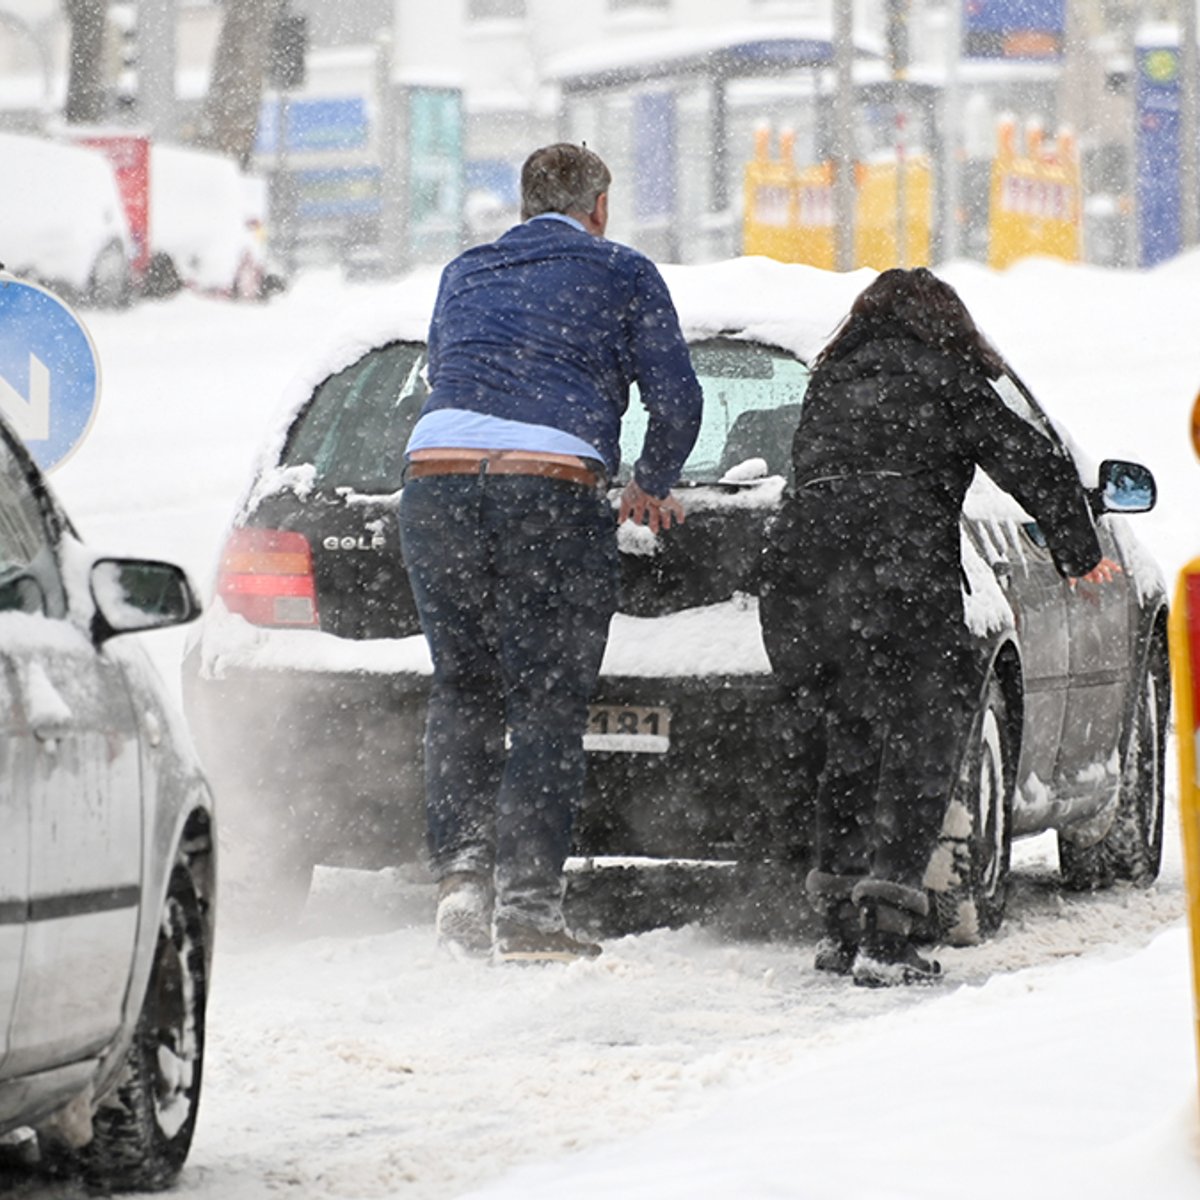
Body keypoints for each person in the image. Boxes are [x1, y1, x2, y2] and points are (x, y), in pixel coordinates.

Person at [758, 267, 1120, 988]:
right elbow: (1029, 460)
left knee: (849, 742)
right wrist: (1081, 553)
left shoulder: (833, 378)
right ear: (945, 321)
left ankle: (837, 925)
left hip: (806, 577)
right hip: (897, 574)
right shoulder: (946, 375)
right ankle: (887, 937)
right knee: (921, 746)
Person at [398, 143, 703, 965]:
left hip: (436, 481)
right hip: (549, 485)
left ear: (526, 203)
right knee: (545, 701)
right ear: (599, 206)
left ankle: (462, 881)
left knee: (461, 685)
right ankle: (528, 908)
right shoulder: (623, 272)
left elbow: (447, 369)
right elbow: (676, 396)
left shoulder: (465, 271)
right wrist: (653, 478)